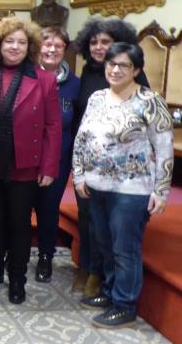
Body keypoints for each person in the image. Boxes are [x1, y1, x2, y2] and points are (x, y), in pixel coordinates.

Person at [73, 42, 173, 329]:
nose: (115, 70)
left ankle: (125, 306)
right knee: (104, 244)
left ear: (137, 70)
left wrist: (161, 190)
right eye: (111, 64)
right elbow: (82, 139)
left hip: (133, 189)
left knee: (124, 248)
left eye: (123, 65)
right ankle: (108, 293)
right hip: (97, 185)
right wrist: (79, 175)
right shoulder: (96, 98)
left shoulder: (150, 101)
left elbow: (164, 148)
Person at [0, 17, 62, 305]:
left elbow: (53, 126)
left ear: (30, 47)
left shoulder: (45, 79)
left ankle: (17, 279)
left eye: (21, 42)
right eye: (9, 41)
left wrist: (49, 167)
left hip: (25, 165)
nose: (15, 47)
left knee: (20, 225)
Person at [71, 17, 150, 296]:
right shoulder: (89, 73)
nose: (98, 46)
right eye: (94, 42)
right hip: (88, 164)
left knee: (109, 225)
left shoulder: (131, 75)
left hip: (121, 168)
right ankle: (87, 266)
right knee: (86, 218)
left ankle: (100, 276)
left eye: (105, 41)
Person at [33, 26, 80, 283]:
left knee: (48, 209)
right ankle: (12, 253)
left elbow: (76, 125)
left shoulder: (75, 85)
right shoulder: (27, 76)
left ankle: (45, 257)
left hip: (58, 160)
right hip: (26, 157)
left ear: (65, 50)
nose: (51, 49)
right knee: (17, 209)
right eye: (46, 44)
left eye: (58, 46)